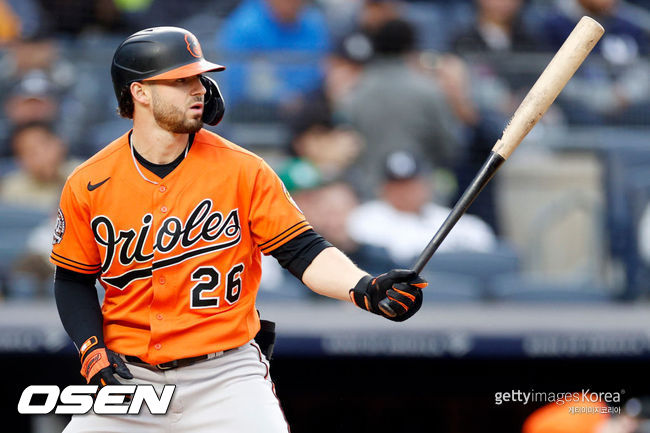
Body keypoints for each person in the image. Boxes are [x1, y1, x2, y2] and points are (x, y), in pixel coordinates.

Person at [50, 26, 427, 432]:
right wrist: (91, 349)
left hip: (225, 376)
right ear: (140, 93)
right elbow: (72, 280)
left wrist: (363, 287)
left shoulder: (243, 170)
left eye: (198, 77)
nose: (198, 88)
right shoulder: (90, 181)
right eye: (181, 80)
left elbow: (303, 250)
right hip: (130, 378)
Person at [336, 18, 461, 198]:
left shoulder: (356, 92)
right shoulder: (429, 90)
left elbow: (345, 147)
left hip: (370, 194)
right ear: (411, 48)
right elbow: (449, 146)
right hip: (421, 194)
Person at [348, 150, 496, 266]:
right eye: (397, 186)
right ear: (383, 189)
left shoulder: (441, 215)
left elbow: (482, 237)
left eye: (412, 185)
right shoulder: (366, 217)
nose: (406, 192)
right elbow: (400, 257)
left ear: (427, 185)